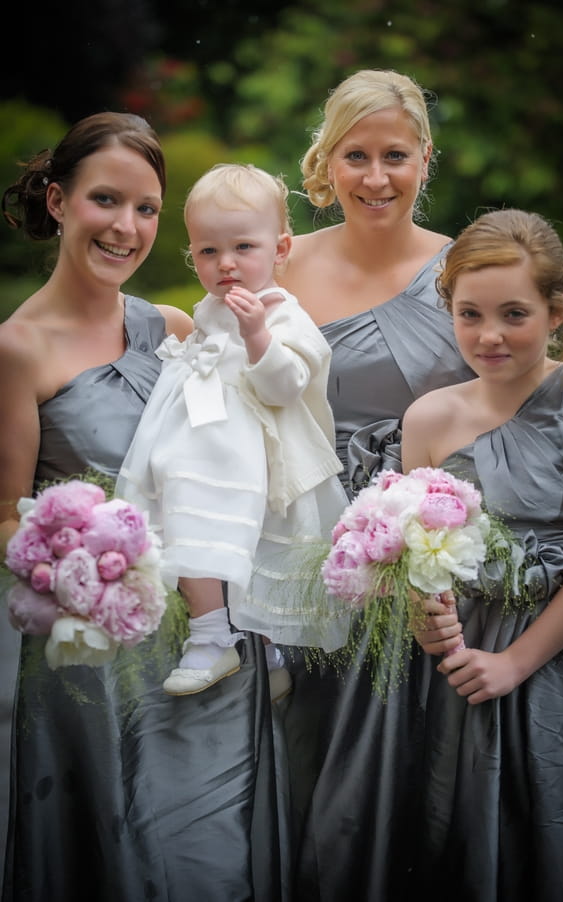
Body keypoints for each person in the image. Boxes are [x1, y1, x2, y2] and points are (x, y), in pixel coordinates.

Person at [0, 114, 285, 902]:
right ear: (58, 202)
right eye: (106, 200)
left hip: (208, 643)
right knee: (120, 855)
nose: (127, 227)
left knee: (213, 859)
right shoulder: (17, 349)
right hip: (96, 653)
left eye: (148, 208)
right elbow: (4, 513)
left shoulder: (177, 328)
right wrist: (80, 572)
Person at [275, 69, 475, 900]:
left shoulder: (467, 265)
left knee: (426, 776)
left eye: (395, 154)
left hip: (432, 557)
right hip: (309, 555)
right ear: (327, 161)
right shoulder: (280, 264)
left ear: (426, 159)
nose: (376, 176)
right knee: (317, 774)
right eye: (355, 155)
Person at [401, 208, 563, 902]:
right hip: (464, 670)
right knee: (469, 840)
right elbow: (420, 560)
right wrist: (428, 617)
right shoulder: (427, 419)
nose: (489, 335)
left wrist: (516, 662)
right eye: (469, 314)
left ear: (555, 311)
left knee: (562, 832)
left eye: (514, 313)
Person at [116, 162, 349, 699]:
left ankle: (264, 648)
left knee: (256, 547)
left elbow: (287, 385)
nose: (225, 264)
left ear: (280, 250)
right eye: (207, 251)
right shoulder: (210, 310)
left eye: (243, 247)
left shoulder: (282, 314)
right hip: (210, 447)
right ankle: (210, 633)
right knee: (189, 521)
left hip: (258, 458)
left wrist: (257, 335)